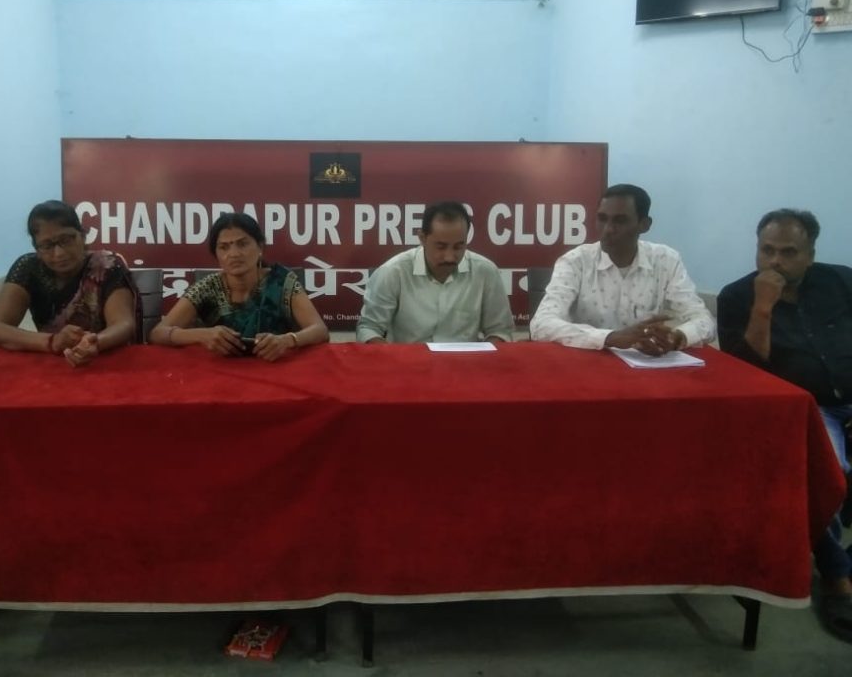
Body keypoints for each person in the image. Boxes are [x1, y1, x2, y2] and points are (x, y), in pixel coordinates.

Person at [717, 209, 852, 642]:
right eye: (767, 250)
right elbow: (744, 373)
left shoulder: (842, 281)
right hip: (803, 409)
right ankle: (837, 576)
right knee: (828, 471)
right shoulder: (737, 295)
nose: (775, 261)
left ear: (810, 254)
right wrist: (763, 307)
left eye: (788, 252)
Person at [530, 183, 715, 353]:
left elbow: (704, 320)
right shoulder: (576, 262)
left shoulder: (666, 261)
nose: (608, 229)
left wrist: (676, 337)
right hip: (588, 363)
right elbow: (541, 324)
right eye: (602, 219)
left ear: (644, 225)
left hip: (647, 367)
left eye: (620, 221)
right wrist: (610, 338)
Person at [149, 212, 328, 361]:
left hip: (276, 370)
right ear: (216, 254)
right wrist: (202, 335)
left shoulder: (281, 282)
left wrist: (288, 340)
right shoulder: (207, 288)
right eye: (224, 247)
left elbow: (320, 330)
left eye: (242, 244)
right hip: (222, 376)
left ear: (260, 247)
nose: (234, 254)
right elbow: (157, 334)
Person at [0, 200, 139, 367]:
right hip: (51, 363)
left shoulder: (107, 266)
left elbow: (124, 324)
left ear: (82, 236)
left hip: (105, 360)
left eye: (66, 240)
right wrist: (52, 342)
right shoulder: (28, 268)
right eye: (47, 246)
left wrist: (95, 342)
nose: (58, 253)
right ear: (37, 249)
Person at [356, 201, 513, 344]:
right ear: (422, 238)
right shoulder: (393, 272)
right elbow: (368, 329)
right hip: (408, 362)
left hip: (466, 363)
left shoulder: (485, 272)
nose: (449, 256)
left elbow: (500, 331)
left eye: (458, 247)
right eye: (441, 247)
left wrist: (484, 358)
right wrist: (390, 357)